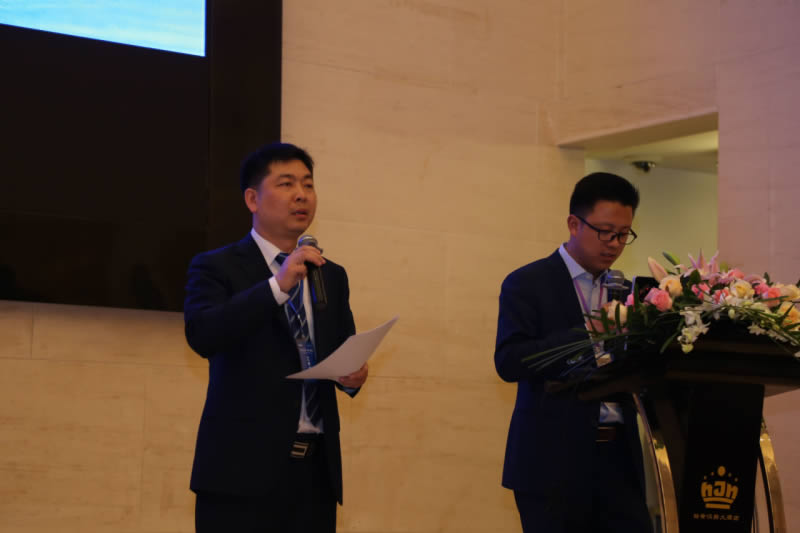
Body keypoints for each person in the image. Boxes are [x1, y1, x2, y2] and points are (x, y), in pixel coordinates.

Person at [184, 142, 368, 533]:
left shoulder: (330, 274)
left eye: (308, 184)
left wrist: (351, 377)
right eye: (286, 184)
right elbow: (203, 335)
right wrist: (277, 286)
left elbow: (341, 349)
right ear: (253, 199)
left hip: (315, 476)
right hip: (239, 476)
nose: (301, 194)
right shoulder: (216, 266)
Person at [494, 172, 652, 533]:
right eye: (605, 232)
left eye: (623, 234)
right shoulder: (527, 283)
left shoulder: (627, 291)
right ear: (573, 224)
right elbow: (509, 361)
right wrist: (588, 332)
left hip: (619, 462)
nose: (614, 244)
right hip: (552, 463)